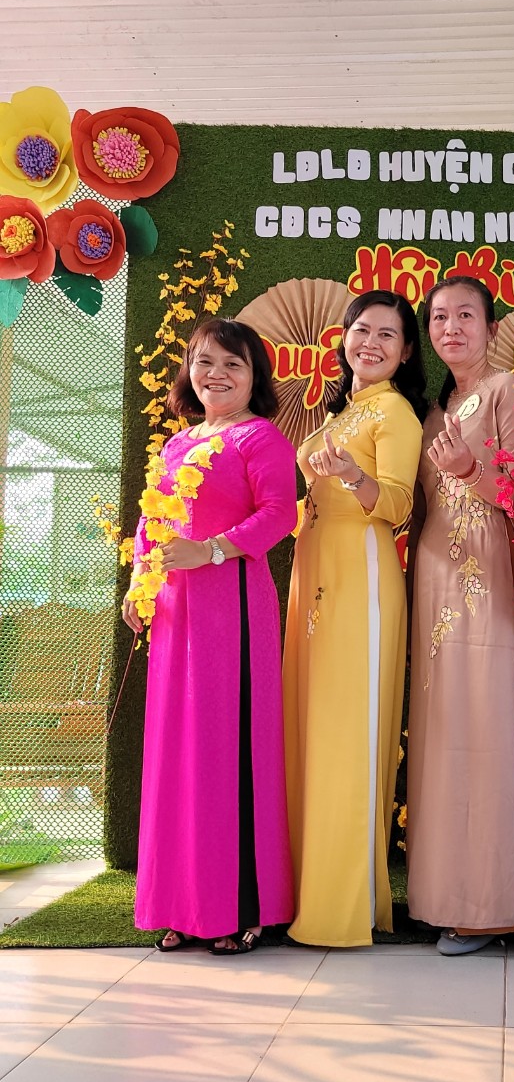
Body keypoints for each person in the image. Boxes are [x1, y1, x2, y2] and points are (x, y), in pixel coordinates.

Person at [124, 318, 298, 955]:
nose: (217, 374)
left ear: (254, 376)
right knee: (179, 753)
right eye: (205, 362)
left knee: (228, 750)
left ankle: (242, 907)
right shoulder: (178, 443)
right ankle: (183, 905)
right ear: (188, 372)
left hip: (233, 610)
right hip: (176, 615)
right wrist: (140, 585)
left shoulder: (260, 437)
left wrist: (213, 550)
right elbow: (152, 522)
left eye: (233, 363)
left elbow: (279, 513)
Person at [284, 290, 427, 947]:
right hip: (313, 573)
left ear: (405, 351)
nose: (371, 343)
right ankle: (304, 887)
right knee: (313, 728)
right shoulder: (340, 410)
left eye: (387, 335)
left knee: (349, 732)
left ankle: (341, 905)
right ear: (344, 338)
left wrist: (349, 476)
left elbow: (397, 505)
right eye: (362, 330)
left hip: (361, 575)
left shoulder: (394, 411)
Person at [405, 276, 514, 955]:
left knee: (483, 726)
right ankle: (438, 896)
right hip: (433, 578)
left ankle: (486, 907)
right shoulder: (434, 409)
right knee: (440, 729)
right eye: (439, 318)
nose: (451, 328)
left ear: (491, 327)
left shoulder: (510, 391)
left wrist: (468, 469)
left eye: (465, 316)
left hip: (487, 572)